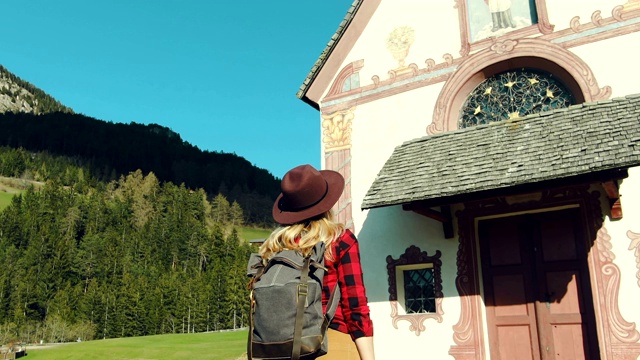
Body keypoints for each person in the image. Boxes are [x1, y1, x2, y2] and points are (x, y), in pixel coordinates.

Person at [259, 164, 375, 360]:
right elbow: (356, 307)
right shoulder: (339, 240)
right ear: (326, 203)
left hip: (279, 349)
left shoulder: (274, 246)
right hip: (329, 343)